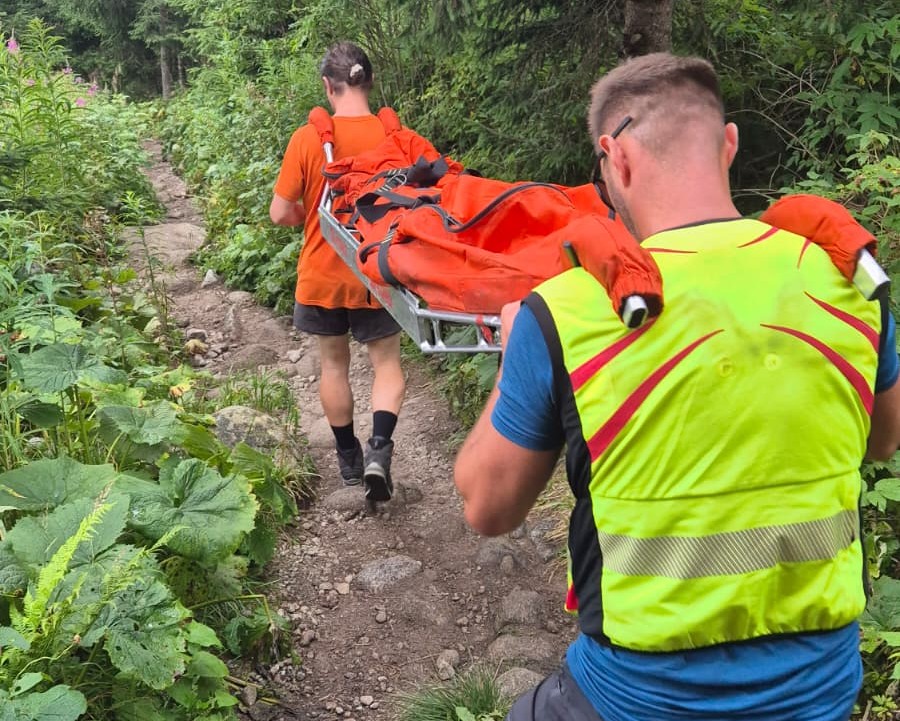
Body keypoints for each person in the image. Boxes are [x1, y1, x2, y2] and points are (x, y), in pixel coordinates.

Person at [454, 52, 900, 721]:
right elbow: (884, 441)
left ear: (616, 159)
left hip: (637, 697)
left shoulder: (569, 310)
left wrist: (515, 354)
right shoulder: (848, 282)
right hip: (822, 691)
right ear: (728, 144)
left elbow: (486, 507)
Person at [271, 42, 404, 502]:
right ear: (368, 81)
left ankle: (348, 459)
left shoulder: (307, 140)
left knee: (333, 364)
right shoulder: (396, 138)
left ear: (328, 86)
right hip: (378, 272)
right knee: (386, 363)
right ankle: (379, 451)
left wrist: (309, 215)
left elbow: (280, 212)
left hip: (323, 272)